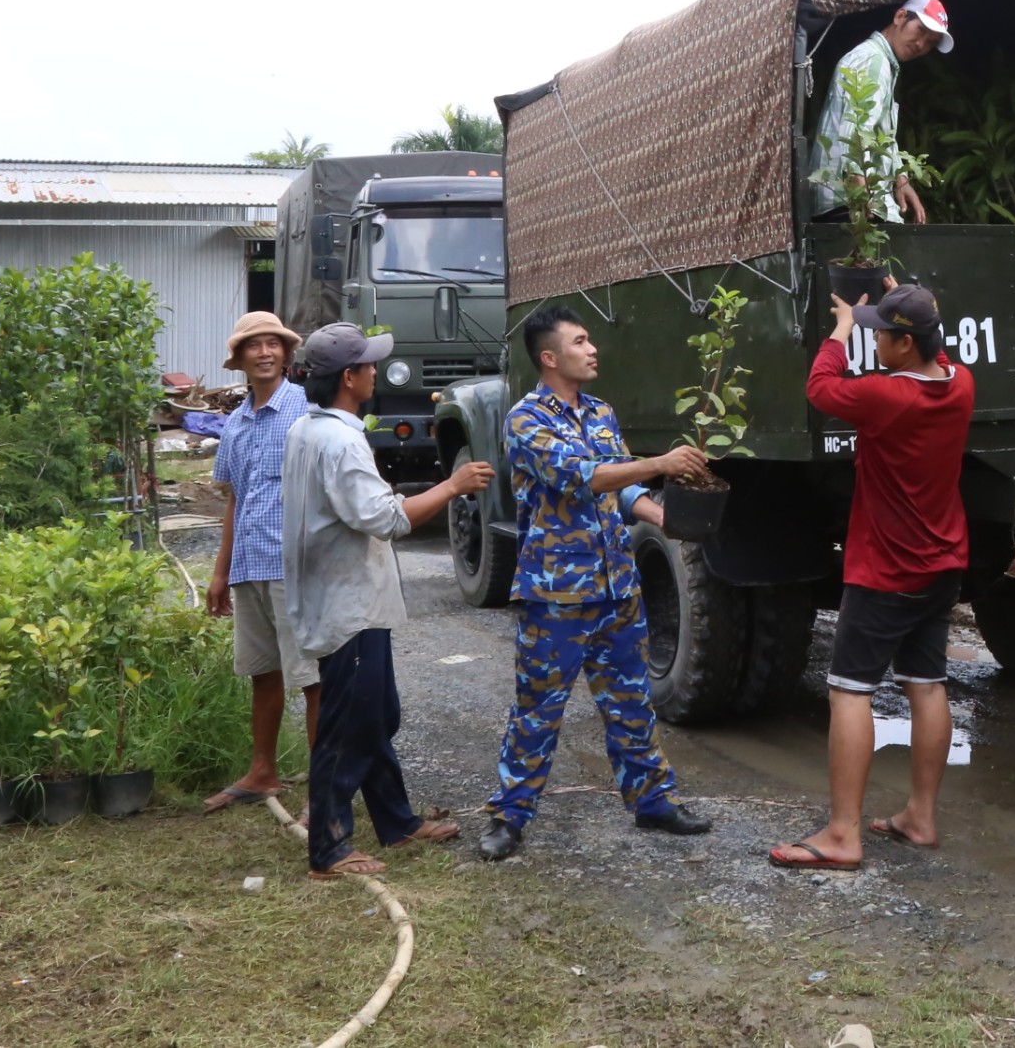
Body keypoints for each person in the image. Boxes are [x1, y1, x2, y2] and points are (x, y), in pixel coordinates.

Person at [479, 307, 717, 860]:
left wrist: (668, 520)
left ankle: (653, 802)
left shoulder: (601, 412)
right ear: (549, 357)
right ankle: (509, 817)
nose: (592, 349)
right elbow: (584, 477)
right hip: (557, 594)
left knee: (632, 702)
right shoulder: (526, 419)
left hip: (616, 588)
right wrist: (659, 462)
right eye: (580, 341)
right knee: (538, 710)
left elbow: (621, 489)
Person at [771, 282, 975, 871]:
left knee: (850, 692)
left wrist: (838, 332)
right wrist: (906, 298)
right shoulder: (959, 384)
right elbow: (938, 351)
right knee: (926, 683)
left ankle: (841, 834)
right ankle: (921, 817)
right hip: (942, 563)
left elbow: (821, 389)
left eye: (881, 332)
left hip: (887, 568)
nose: (874, 337)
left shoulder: (888, 397)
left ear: (905, 343)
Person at [281, 321, 495, 880]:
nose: (377, 370)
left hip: (341, 597)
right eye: (370, 364)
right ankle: (327, 848)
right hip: (348, 604)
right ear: (349, 378)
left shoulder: (309, 429)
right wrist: (452, 485)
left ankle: (396, 821)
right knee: (348, 727)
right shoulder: (340, 439)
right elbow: (386, 518)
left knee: (375, 717)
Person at [202, 311, 320, 818]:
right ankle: (262, 770)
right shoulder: (236, 423)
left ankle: (325, 781)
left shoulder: (305, 414)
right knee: (263, 672)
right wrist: (220, 571)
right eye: (256, 346)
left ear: (287, 355)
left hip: (293, 564)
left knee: (312, 676)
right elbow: (235, 498)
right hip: (250, 564)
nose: (266, 352)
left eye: (275, 344)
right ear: (241, 359)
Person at [809, 0, 952, 224]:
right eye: (921, 31)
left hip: (848, 202)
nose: (921, 44)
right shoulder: (873, 61)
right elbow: (856, 131)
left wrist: (900, 179)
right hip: (849, 204)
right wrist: (862, 196)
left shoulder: (882, 62)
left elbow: (879, 135)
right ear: (900, 16)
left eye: (930, 42)